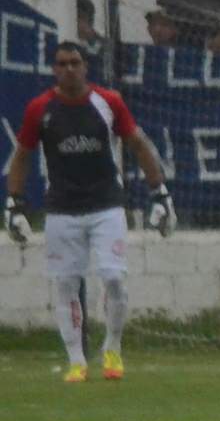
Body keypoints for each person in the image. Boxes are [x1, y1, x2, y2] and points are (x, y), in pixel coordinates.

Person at [6, 41, 175, 383]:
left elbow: (138, 144)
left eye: (75, 62)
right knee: (66, 284)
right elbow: (22, 155)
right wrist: (14, 203)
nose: (69, 69)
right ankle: (76, 360)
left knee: (113, 278)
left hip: (106, 205)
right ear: (54, 69)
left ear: (86, 66)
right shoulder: (40, 108)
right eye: (62, 63)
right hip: (62, 209)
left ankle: (112, 347)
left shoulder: (108, 102)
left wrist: (160, 193)